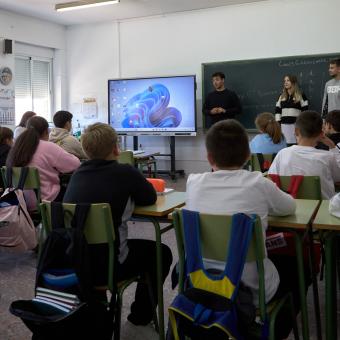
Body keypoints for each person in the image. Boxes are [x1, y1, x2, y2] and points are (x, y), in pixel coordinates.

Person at [185, 119, 300, 338]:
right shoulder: (258, 183)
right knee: (297, 269)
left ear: (209, 157)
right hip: (252, 288)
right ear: (248, 155)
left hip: (201, 283)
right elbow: (289, 206)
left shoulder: (193, 182)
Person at [63, 123, 172, 326]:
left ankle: (98, 305)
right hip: (111, 264)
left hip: (75, 261)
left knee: (103, 244)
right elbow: (148, 197)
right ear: (116, 148)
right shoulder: (125, 172)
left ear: (85, 149)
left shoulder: (77, 174)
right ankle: (140, 315)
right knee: (161, 252)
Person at [6, 116, 80, 202]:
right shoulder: (48, 146)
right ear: (46, 131)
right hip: (45, 200)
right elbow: (75, 164)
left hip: (19, 201)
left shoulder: (17, 147)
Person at [268, 111, 340, 199]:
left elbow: (271, 179)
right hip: (322, 209)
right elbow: (338, 178)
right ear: (321, 134)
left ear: (296, 131)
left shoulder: (282, 154)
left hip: (292, 207)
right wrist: (333, 147)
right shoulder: (328, 157)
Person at [275, 75, 308, 145]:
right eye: (285, 81)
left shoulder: (301, 95)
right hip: (283, 127)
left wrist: (300, 125)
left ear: (293, 82)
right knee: (285, 146)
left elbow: (305, 111)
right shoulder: (281, 96)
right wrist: (278, 125)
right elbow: (277, 111)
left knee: (295, 146)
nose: (286, 83)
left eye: (288, 80)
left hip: (295, 126)